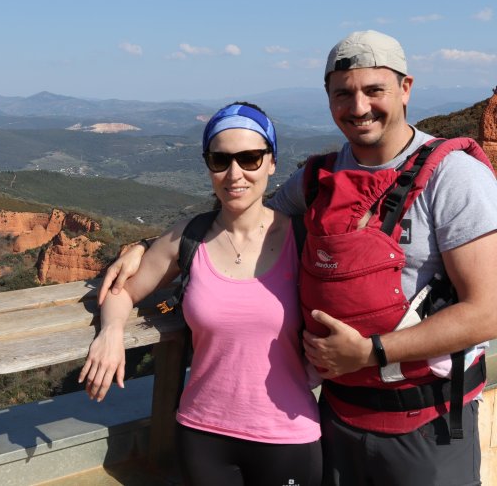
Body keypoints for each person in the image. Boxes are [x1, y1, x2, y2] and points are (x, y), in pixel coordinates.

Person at [100, 30, 497, 486]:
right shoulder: (316, 180)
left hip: (427, 426)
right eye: (343, 93)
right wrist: (149, 247)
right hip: (338, 421)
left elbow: (488, 311)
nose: (359, 106)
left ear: (405, 88)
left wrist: (372, 352)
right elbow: (241, 218)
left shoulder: (454, 177)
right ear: (328, 97)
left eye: (374, 90)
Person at [80, 102, 322, 485]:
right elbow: (120, 291)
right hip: (204, 432)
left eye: (250, 158)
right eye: (220, 160)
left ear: (272, 162)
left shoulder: (303, 238)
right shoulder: (188, 238)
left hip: (288, 434)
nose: (234, 174)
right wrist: (111, 332)